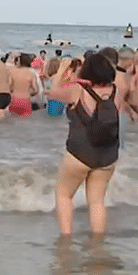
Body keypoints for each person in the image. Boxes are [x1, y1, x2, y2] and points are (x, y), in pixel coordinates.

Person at [47, 53, 120, 235]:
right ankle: (98, 242)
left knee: (64, 195)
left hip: (80, 153)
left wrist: (63, 69)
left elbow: (52, 92)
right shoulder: (116, 91)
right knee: (97, 202)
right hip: (108, 154)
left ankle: (66, 238)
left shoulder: (78, 91)